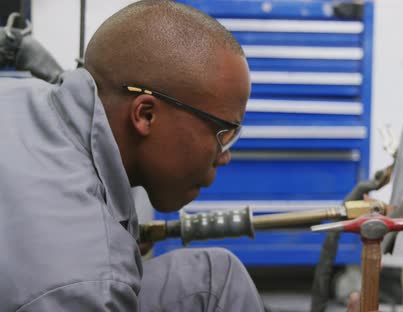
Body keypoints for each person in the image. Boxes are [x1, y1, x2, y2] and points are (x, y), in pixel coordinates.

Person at [0, 0, 265, 311]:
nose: (224, 157)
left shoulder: (20, 95)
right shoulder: (87, 284)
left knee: (215, 279)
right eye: (223, 132)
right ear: (146, 115)